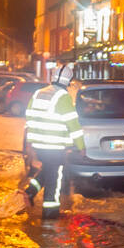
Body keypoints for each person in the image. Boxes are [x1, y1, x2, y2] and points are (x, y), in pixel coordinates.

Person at [22, 71, 84, 219]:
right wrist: (81, 147)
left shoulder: (38, 93)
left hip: (39, 145)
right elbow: (73, 124)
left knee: (48, 171)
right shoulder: (63, 97)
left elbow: (29, 118)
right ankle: (50, 214)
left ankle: (29, 193)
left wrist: (30, 144)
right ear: (67, 83)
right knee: (54, 180)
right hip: (54, 146)